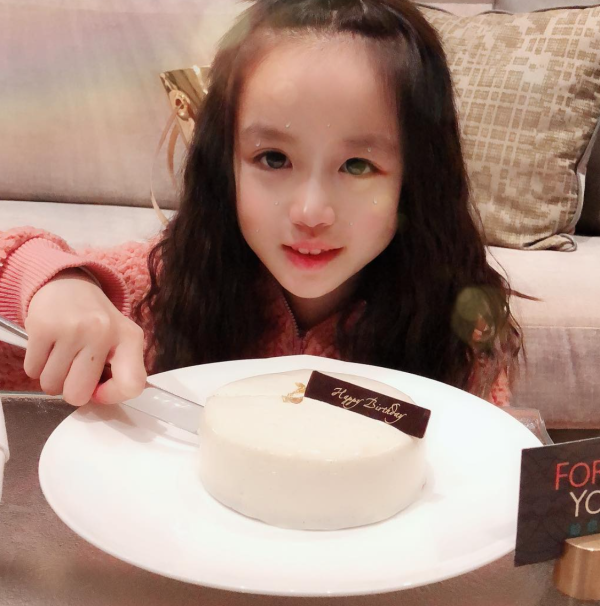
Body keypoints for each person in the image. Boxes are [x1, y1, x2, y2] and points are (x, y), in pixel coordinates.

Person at [0, 0, 522, 408]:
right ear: (225, 165)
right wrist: (56, 287)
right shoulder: (164, 287)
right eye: (273, 158)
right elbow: (17, 272)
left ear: (416, 178)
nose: (310, 212)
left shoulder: (456, 330)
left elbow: (472, 477)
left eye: (358, 165)